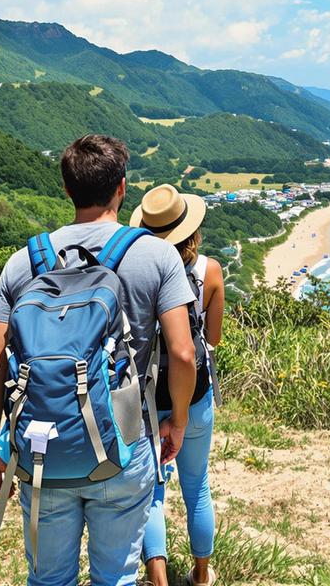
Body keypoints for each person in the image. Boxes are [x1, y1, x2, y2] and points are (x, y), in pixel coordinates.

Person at [0, 134, 197, 586]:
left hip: (42, 448)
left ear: (66, 190)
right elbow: (182, 352)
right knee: (115, 577)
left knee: (48, 579)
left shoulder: (24, 262)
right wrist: (177, 422)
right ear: (122, 187)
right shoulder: (154, 255)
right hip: (124, 445)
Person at [133, 185, 225, 586]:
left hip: (147, 396)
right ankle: (201, 576)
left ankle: (158, 580)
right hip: (196, 393)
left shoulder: (136, 270)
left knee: (152, 490)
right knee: (196, 485)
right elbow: (214, 338)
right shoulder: (210, 271)